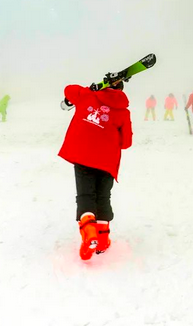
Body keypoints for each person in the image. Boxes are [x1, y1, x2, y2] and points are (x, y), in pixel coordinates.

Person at [58, 80, 132, 260]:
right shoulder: (123, 112)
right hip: (107, 162)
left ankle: (89, 234)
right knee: (103, 197)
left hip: (83, 158)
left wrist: (91, 89)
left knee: (85, 196)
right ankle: (103, 239)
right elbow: (126, 143)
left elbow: (69, 90)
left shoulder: (87, 96)